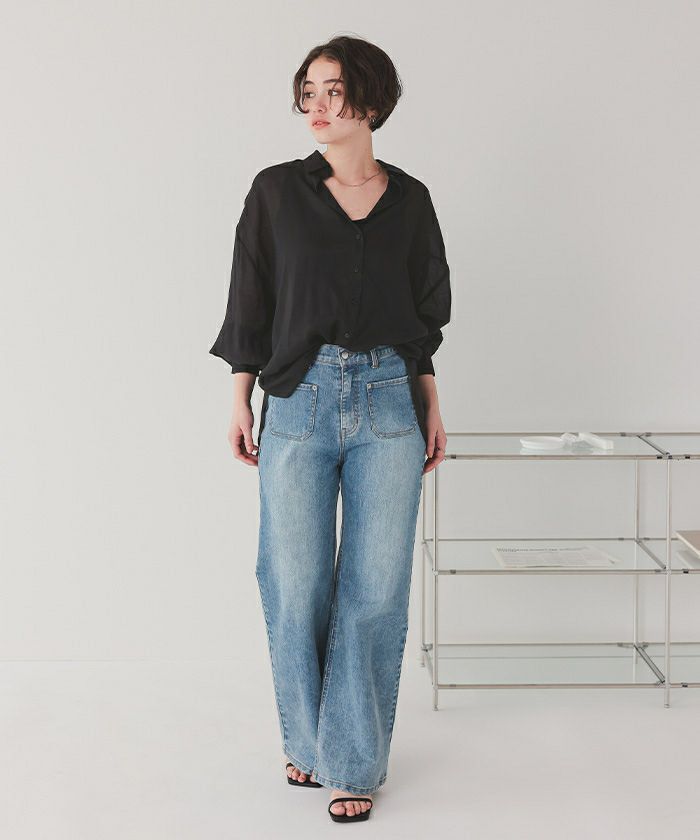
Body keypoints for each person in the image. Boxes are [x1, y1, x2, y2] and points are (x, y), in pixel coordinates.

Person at [209, 35, 451, 823]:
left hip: (388, 402)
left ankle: (350, 762)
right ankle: (307, 742)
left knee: (375, 589)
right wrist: (240, 397)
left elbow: (423, 316)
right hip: (298, 400)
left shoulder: (410, 200)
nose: (317, 105)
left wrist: (430, 403)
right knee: (294, 581)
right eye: (308, 90)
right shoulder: (277, 192)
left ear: (371, 102)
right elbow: (251, 298)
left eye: (334, 90)